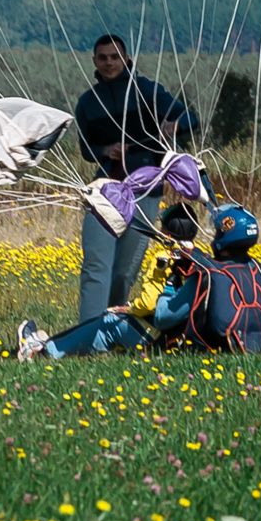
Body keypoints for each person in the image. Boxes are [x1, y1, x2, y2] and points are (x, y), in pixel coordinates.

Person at [72, 34, 195, 320]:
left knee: (126, 269)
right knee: (96, 265)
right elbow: (86, 150)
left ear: (126, 59)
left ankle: (111, 324)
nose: (109, 63)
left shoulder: (148, 91)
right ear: (94, 62)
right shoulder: (87, 103)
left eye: (114, 57)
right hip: (105, 189)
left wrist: (173, 126)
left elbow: (190, 117)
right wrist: (106, 149)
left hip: (146, 190)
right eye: (102, 58)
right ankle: (89, 331)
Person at [15, 206, 201, 359]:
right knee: (118, 320)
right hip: (188, 338)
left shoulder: (164, 258)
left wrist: (130, 309)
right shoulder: (199, 258)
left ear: (167, 235)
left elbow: (149, 304)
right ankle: (66, 350)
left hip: (162, 340)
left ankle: (42, 352)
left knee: (109, 319)